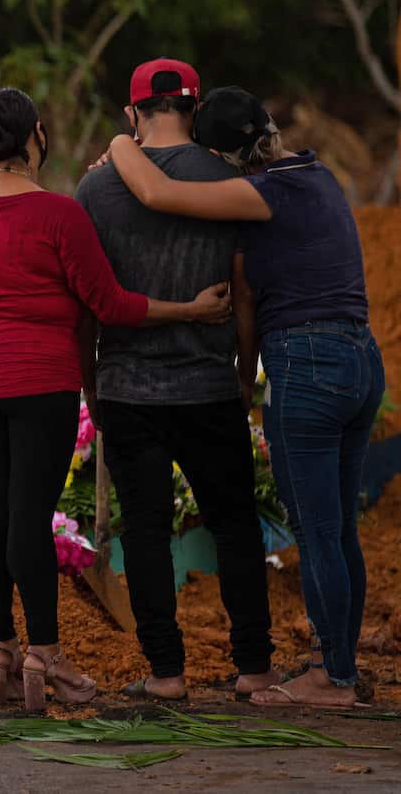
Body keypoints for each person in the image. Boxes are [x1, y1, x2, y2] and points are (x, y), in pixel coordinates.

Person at [0, 87, 232, 711]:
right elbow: (110, 305)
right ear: (35, 136)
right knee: (30, 515)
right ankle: (44, 654)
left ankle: (0, 648)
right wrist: (191, 309)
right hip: (38, 378)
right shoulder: (57, 214)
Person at [106, 86, 385, 708]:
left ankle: (332, 678)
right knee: (337, 530)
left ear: (225, 157)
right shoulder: (316, 175)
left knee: (315, 533)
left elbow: (157, 192)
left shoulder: (263, 192)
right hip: (361, 359)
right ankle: (335, 663)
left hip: (309, 363)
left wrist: (122, 141)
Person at [74, 59, 281, 702]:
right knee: (235, 525)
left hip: (128, 387)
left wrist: (91, 386)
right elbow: (244, 294)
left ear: (133, 114)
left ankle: (166, 673)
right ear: (192, 111)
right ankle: (253, 667)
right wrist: (244, 376)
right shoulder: (226, 180)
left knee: (145, 532)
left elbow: (86, 306)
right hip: (208, 384)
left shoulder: (96, 192)